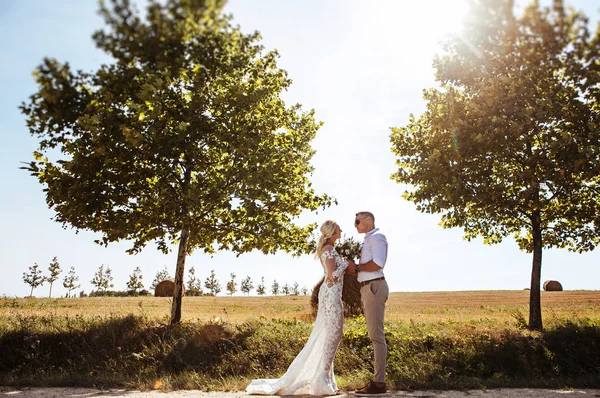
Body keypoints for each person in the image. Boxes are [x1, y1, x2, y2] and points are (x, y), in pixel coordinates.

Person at [246, 220, 349, 396]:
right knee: (333, 334)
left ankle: (327, 380)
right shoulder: (328, 250)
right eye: (338, 228)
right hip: (330, 294)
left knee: (331, 334)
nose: (341, 229)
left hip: (332, 294)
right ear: (332, 232)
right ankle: (323, 380)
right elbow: (332, 276)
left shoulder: (331, 250)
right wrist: (346, 265)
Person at [347, 211, 389, 396]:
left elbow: (377, 264)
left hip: (374, 287)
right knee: (374, 335)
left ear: (368, 220)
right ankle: (376, 381)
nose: (355, 225)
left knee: (377, 336)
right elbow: (364, 267)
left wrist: (355, 267)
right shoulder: (367, 239)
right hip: (367, 287)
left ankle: (379, 384)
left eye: (357, 221)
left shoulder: (377, 237)